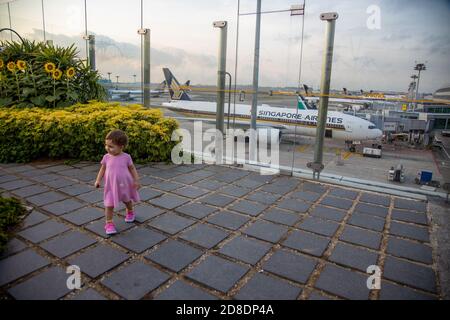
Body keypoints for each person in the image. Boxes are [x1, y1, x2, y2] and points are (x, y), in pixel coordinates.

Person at [95, 129, 141, 235]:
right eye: (106, 145)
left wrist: (136, 180)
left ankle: (130, 212)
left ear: (121, 146)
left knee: (127, 200)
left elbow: (132, 168)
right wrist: (98, 180)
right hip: (111, 186)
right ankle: (109, 223)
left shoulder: (126, 157)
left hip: (124, 185)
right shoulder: (106, 157)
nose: (108, 148)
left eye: (111, 146)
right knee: (109, 204)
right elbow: (102, 169)